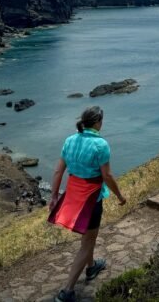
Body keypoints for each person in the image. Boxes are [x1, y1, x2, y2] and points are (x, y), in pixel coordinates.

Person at [48, 106, 126, 302]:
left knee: (87, 237)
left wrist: (54, 196)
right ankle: (67, 291)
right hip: (91, 199)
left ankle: (91, 268)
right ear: (98, 122)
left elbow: (58, 171)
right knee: (88, 242)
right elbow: (107, 176)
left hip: (73, 195)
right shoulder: (101, 144)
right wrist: (120, 196)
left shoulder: (70, 140)